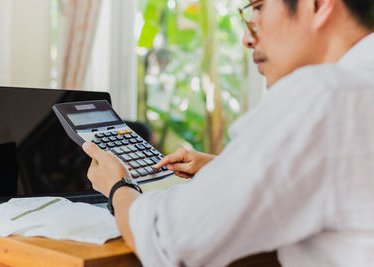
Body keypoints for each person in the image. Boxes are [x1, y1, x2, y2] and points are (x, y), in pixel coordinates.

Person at [82, 0, 374, 266]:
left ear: (318, 5)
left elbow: (169, 240)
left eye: (258, 9)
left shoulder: (323, 95)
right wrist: (224, 169)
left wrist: (117, 186)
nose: (248, 39)